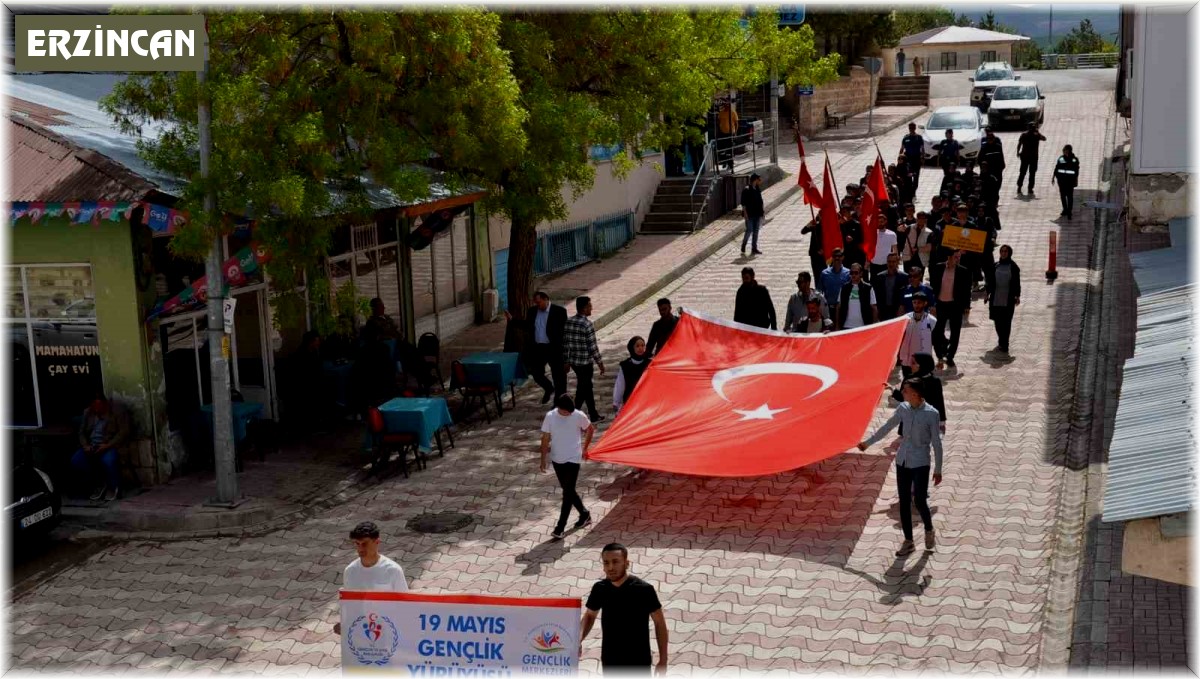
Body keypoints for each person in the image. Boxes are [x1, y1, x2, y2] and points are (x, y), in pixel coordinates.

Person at [857, 377, 943, 557]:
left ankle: (928, 529)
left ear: (915, 394)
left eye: (905, 390)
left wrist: (938, 469)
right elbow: (887, 427)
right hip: (902, 461)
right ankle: (908, 541)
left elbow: (936, 443)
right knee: (904, 502)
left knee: (919, 500)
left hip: (920, 462)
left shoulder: (931, 413)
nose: (902, 393)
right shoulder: (903, 408)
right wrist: (867, 443)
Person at [580, 543, 669, 675]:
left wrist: (663, 660)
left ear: (626, 564)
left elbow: (659, 623)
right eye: (606, 563)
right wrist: (578, 638)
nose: (610, 567)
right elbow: (589, 616)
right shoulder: (600, 589)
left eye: (615, 562)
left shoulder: (644, 590)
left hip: (638, 662)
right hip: (610, 661)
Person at [333, 521, 410, 635]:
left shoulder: (393, 570)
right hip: (360, 633)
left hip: (389, 632)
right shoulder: (350, 571)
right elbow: (349, 606)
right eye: (357, 544)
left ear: (377, 542)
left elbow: (405, 606)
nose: (360, 548)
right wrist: (344, 624)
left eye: (364, 544)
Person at [540, 395, 595, 540]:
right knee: (568, 490)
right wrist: (543, 459)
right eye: (566, 412)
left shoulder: (578, 415)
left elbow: (590, 429)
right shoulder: (550, 416)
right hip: (557, 459)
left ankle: (560, 528)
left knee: (567, 492)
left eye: (570, 411)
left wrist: (585, 448)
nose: (569, 414)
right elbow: (545, 438)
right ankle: (584, 514)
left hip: (573, 458)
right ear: (558, 407)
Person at [71, 393, 130, 501]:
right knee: (77, 461)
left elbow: (123, 432)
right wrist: (85, 445)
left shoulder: (116, 412)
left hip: (109, 445)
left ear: (105, 404)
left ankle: (114, 487)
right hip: (92, 445)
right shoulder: (88, 413)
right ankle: (98, 484)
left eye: (99, 406)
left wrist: (107, 445)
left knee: (108, 460)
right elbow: (81, 432)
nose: (97, 410)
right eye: (94, 407)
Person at [564, 297, 605, 423]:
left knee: (586, 387)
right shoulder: (587, 325)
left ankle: (593, 414)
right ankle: (573, 412)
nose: (591, 308)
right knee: (584, 388)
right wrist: (600, 363)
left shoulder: (569, 322)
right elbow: (593, 347)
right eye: (590, 306)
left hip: (575, 362)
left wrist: (566, 361)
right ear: (584, 308)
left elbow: (565, 344)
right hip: (585, 363)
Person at [930, 250, 972, 370]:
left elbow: (966, 290)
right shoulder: (938, 268)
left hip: (955, 306)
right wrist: (932, 304)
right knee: (937, 332)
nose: (957, 259)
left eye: (959, 257)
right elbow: (933, 285)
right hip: (940, 305)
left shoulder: (963, 271)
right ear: (949, 257)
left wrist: (967, 306)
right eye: (955, 257)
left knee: (955, 332)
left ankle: (950, 356)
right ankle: (940, 354)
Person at [525, 291, 569, 404]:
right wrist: (512, 321)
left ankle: (559, 402)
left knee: (558, 377)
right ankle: (549, 388)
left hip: (554, 349)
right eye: (536, 303)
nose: (537, 305)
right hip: (539, 349)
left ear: (546, 299)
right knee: (536, 373)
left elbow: (565, 333)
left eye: (539, 302)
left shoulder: (559, 312)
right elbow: (527, 325)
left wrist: (566, 355)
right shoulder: (532, 311)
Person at [985, 244, 1022, 355]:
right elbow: (990, 281)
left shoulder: (1013, 266)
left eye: (1006, 251)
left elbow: (1016, 283)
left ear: (1009, 253)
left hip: (1008, 299)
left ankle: (1005, 344)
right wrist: (987, 294)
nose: (1003, 253)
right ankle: (1001, 340)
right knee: (997, 321)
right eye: (1002, 251)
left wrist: (1017, 295)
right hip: (996, 298)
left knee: (1006, 322)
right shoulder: (995, 266)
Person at [897, 292, 937, 378]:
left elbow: (936, 339)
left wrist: (940, 358)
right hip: (907, 359)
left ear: (925, 303)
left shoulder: (932, 321)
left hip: (923, 360)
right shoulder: (905, 319)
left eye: (919, 303)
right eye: (914, 303)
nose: (916, 305)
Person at [613, 337, 651, 415]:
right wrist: (616, 402)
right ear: (631, 348)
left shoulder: (650, 364)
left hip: (646, 401)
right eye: (637, 346)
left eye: (642, 345)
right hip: (630, 400)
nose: (640, 348)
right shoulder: (625, 366)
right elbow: (620, 385)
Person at [837, 264, 877, 331]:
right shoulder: (844, 288)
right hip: (846, 326)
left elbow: (874, 308)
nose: (853, 275)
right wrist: (837, 326)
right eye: (851, 273)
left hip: (863, 326)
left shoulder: (868, 288)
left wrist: (874, 325)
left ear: (861, 274)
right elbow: (838, 307)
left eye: (856, 273)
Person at [872, 253, 908, 322]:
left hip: (897, 311)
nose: (891, 264)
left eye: (893, 262)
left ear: (898, 262)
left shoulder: (904, 277)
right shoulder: (880, 277)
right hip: (883, 311)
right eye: (889, 262)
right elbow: (876, 295)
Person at [819, 249, 852, 321]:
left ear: (843, 257)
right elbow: (819, 291)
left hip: (843, 309)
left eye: (839, 256)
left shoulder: (848, 273)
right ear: (832, 257)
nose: (837, 258)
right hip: (828, 309)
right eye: (835, 256)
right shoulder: (824, 273)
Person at [1016, 123, 1046, 195]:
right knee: (1028, 173)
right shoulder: (1033, 135)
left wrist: (1018, 152)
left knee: (1025, 173)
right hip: (1030, 157)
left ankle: (1024, 187)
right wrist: (1038, 133)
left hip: (1029, 157)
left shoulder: (1026, 134)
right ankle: (1027, 188)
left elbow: (1019, 144)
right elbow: (1044, 138)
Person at [740, 172, 765, 255]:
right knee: (749, 230)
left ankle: (754, 248)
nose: (760, 181)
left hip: (757, 214)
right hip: (749, 214)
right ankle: (744, 244)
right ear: (755, 180)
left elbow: (761, 201)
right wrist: (745, 214)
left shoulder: (757, 188)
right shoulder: (746, 190)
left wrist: (763, 212)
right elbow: (743, 203)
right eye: (759, 179)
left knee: (756, 231)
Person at [1052, 144, 1080, 218]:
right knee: (1063, 196)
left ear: (1069, 150)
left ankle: (1069, 211)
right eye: (1063, 150)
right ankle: (1065, 209)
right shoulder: (1061, 159)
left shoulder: (1074, 159)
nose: (1063, 151)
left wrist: (1075, 180)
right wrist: (1054, 177)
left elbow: (1076, 171)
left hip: (1070, 182)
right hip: (1061, 181)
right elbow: (1056, 168)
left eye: (1065, 150)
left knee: (1070, 196)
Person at [868, 212, 899, 280]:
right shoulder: (872, 233)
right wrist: (867, 261)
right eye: (878, 222)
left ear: (885, 222)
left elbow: (895, 249)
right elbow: (869, 248)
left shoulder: (892, 234)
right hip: (874, 263)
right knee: (874, 283)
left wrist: (896, 263)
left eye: (882, 221)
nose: (880, 223)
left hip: (886, 264)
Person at [800, 211, 827, 281]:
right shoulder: (815, 226)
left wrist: (824, 250)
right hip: (814, 254)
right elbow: (803, 231)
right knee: (817, 275)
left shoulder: (829, 227)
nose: (821, 217)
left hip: (825, 255)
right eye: (820, 215)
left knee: (825, 274)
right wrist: (810, 223)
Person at [717, 100, 738, 171]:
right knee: (722, 150)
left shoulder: (733, 113)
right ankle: (724, 161)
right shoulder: (721, 113)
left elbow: (736, 123)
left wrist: (735, 133)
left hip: (730, 133)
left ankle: (730, 165)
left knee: (729, 150)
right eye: (725, 105)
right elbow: (718, 122)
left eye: (728, 105)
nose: (726, 106)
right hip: (723, 133)